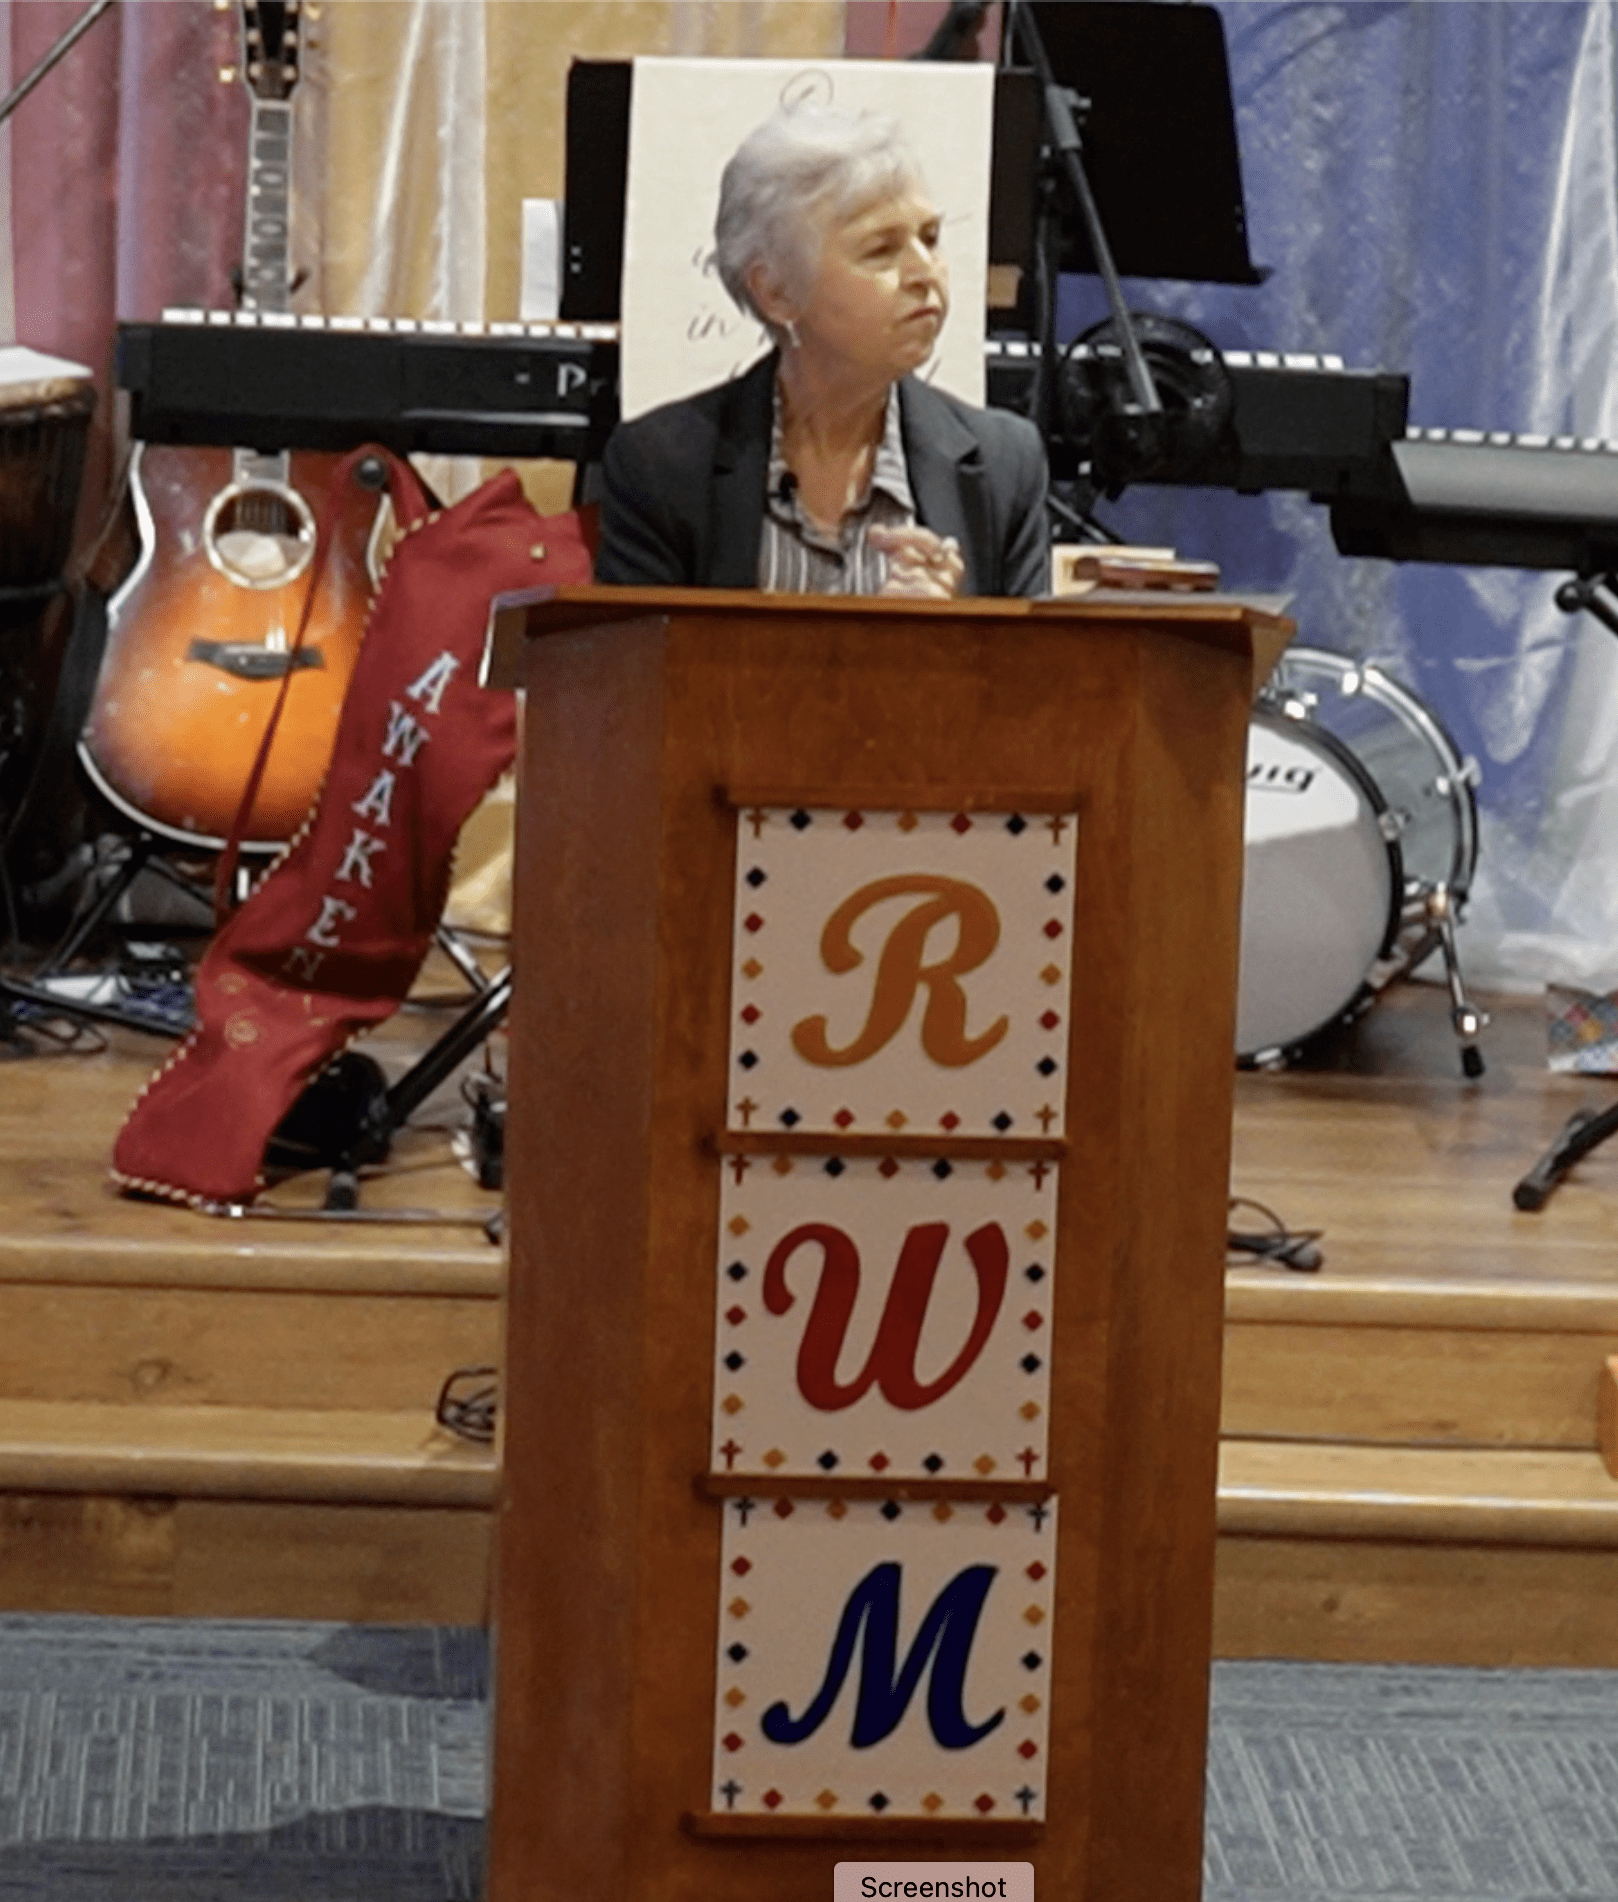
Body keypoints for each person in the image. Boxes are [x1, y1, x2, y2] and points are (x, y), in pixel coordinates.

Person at [595, 106, 1048, 600]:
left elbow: (1033, 674)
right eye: (880, 250)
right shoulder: (662, 466)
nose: (926, 273)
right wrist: (880, 643)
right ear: (776, 293)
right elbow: (637, 673)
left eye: (930, 239)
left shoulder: (1004, 467)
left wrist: (942, 642)